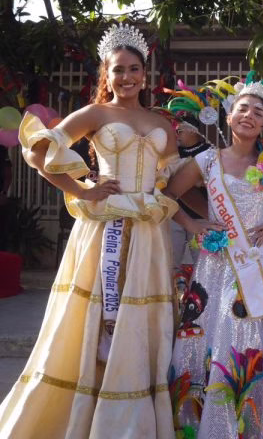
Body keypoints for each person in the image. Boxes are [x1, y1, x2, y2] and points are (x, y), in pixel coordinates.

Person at [1, 24, 180, 438]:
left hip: (148, 234)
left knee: (138, 318)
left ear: (145, 73)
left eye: (134, 69)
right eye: (119, 70)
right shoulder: (96, 114)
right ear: (107, 73)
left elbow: (172, 175)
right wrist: (84, 189)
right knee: (99, 315)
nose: (127, 77)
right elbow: (39, 151)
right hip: (106, 226)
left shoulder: (159, 122)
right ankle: (89, 411)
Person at [164, 82, 263, 438]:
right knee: (210, 336)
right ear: (229, 115)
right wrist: (193, 221)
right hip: (215, 268)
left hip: (259, 266)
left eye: (259, 113)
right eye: (243, 109)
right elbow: (167, 195)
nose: (249, 116)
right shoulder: (205, 161)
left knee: (252, 342)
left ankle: (253, 425)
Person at [169, 111, 211, 271]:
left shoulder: (210, 153)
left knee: (203, 266)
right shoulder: (172, 154)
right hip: (174, 215)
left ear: (194, 131)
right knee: (168, 264)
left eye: (180, 131)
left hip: (201, 218)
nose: (176, 135)